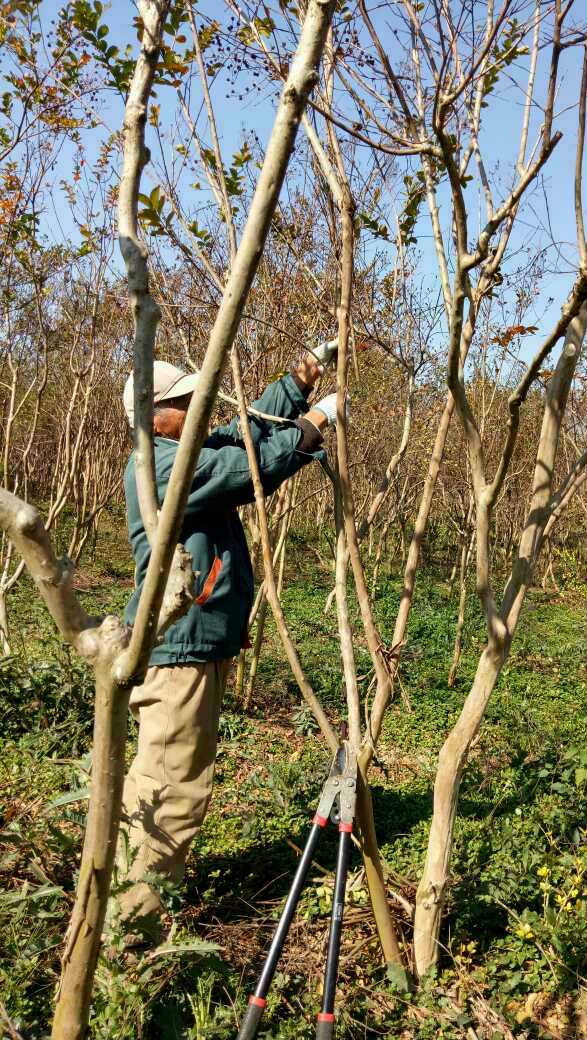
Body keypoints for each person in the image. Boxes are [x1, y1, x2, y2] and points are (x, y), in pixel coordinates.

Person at [115, 342, 339, 944]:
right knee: (173, 787)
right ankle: (137, 927)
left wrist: (299, 379)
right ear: (152, 413)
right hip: (179, 648)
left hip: (183, 644)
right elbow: (250, 466)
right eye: (185, 402)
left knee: (154, 776)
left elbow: (236, 435)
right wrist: (313, 427)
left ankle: (132, 887)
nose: (199, 408)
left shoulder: (174, 449)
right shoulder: (163, 468)